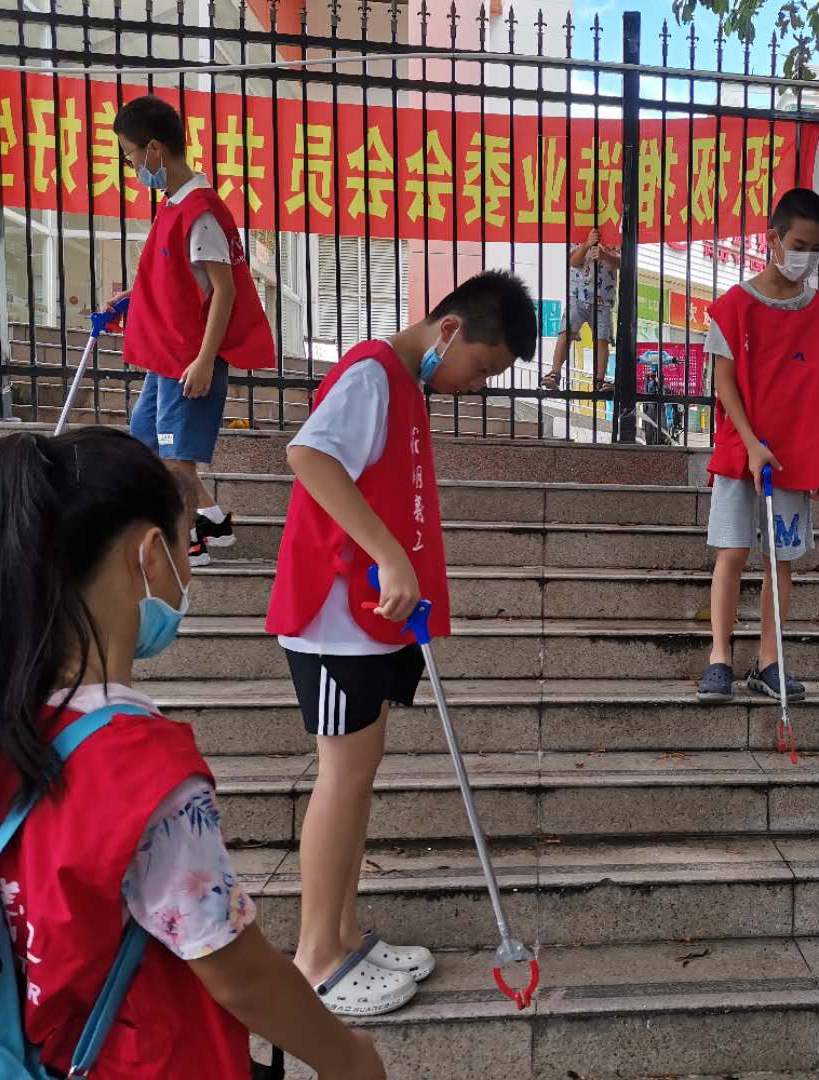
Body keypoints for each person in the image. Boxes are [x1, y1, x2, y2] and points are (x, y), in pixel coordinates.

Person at [0, 428, 385, 1079]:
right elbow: (237, 969)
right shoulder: (142, 767)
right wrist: (347, 1058)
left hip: (50, 1047)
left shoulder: (0, 721)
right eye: (188, 542)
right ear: (151, 554)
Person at [265, 271, 537, 1015]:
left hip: (373, 619)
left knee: (359, 774)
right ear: (450, 329)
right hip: (333, 613)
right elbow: (309, 457)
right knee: (341, 776)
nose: (475, 386)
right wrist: (387, 552)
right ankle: (316, 958)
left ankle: (345, 934)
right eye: (481, 367)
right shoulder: (371, 374)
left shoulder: (404, 387)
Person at [110, 94, 276, 567]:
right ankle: (213, 522)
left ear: (154, 149)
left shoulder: (200, 211)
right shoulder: (173, 204)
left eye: (131, 156)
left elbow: (225, 290)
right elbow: (176, 278)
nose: (132, 167)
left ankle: (187, 546)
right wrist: (130, 299)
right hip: (167, 356)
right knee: (150, 441)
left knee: (176, 459)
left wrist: (204, 361)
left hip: (188, 359)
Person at [696, 188, 819, 704]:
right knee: (732, 551)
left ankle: (769, 661)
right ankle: (719, 658)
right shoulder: (733, 307)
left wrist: (817, 459)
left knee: (780, 559)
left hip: (791, 458)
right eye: (799, 245)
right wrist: (750, 443)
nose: (807, 257)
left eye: (816, 248)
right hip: (740, 452)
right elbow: (724, 382)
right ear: (773, 239)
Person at [540, 227, 619, 394]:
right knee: (566, 331)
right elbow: (573, 261)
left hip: (603, 299)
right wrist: (586, 244)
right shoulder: (578, 230)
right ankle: (555, 373)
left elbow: (623, 263)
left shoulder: (615, 236)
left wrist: (604, 255)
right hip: (577, 295)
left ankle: (599, 381)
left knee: (601, 339)